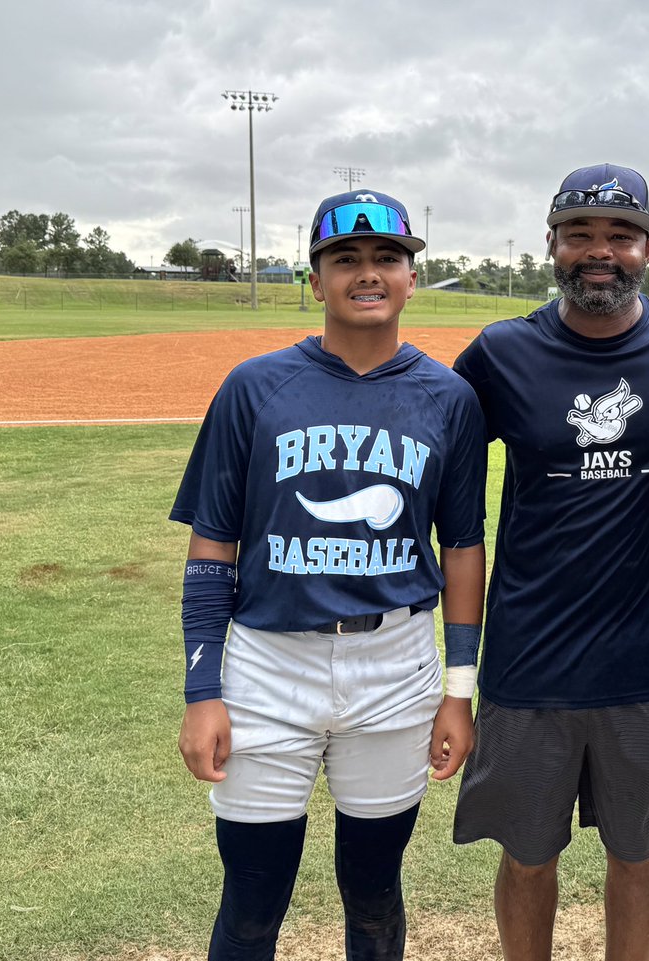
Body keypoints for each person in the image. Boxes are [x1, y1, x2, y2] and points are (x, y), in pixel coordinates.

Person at [450, 163, 649, 961]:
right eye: (580, 235)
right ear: (551, 245)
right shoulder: (502, 353)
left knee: (637, 851)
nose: (600, 252)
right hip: (530, 661)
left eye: (620, 236)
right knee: (527, 854)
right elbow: (428, 448)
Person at [171, 189, 487, 961]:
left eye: (387, 257)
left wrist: (459, 690)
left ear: (414, 276)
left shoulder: (449, 398)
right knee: (250, 901)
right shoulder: (254, 387)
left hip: (395, 668)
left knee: (376, 894)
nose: (367, 273)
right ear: (314, 280)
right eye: (345, 258)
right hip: (268, 666)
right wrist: (201, 690)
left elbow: (463, 550)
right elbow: (213, 548)